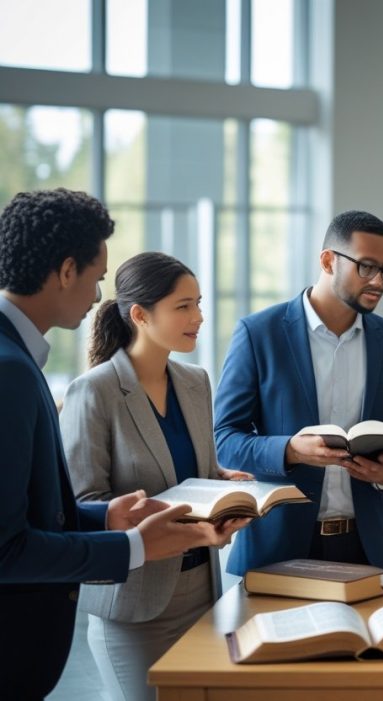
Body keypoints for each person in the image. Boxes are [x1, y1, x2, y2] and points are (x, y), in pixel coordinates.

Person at [0, 188, 241, 700]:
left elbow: (50, 512)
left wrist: (114, 518)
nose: (96, 295)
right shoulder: (17, 373)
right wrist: (132, 542)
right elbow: (9, 542)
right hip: (119, 613)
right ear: (68, 271)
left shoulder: (193, 381)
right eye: (97, 277)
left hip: (202, 594)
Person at [61, 252, 252, 701]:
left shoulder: (196, 382)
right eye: (183, 306)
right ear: (140, 315)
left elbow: (197, 471)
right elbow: (86, 505)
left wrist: (226, 486)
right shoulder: (94, 392)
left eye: (199, 303)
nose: (199, 317)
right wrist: (191, 526)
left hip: (201, 593)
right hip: (133, 604)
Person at [215, 210, 383, 574]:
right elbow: (224, 439)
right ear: (328, 261)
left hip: (363, 548)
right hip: (275, 548)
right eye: (366, 267)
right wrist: (291, 450)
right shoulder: (259, 333)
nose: (379, 282)